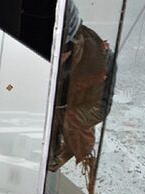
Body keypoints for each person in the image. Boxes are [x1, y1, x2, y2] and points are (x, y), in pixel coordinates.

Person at [49, 0, 115, 174]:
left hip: (70, 129)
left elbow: (102, 106)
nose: (54, 58)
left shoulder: (100, 60)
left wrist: (67, 119)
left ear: (75, 42)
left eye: (59, 50)